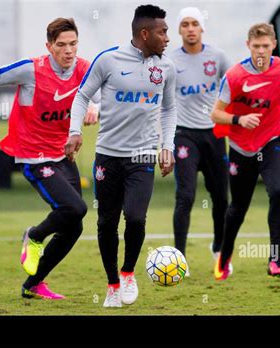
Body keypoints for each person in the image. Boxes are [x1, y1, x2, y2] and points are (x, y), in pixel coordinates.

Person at [0, 17, 99, 299]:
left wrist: (93, 108)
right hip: (34, 157)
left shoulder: (83, 69)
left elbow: (98, 98)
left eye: (73, 44)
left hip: (63, 155)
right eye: (62, 45)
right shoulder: (31, 70)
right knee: (76, 209)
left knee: (73, 227)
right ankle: (35, 235)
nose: (69, 50)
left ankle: (33, 284)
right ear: (49, 46)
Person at [66, 5, 177, 307]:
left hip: (142, 156)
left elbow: (169, 109)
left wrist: (167, 145)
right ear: (144, 33)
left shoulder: (166, 67)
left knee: (137, 218)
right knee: (106, 223)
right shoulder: (108, 60)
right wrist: (75, 131)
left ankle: (128, 273)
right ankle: (112, 284)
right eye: (162, 31)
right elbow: (81, 96)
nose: (168, 37)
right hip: (108, 157)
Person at [211, 23, 280, 280]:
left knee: (278, 191)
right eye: (256, 46)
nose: (261, 51)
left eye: (266, 46)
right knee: (238, 207)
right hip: (242, 147)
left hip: (272, 139)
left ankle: (275, 259)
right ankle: (225, 255)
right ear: (248, 46)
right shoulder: (234, 76)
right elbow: (215, 114)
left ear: (274, 45)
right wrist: (239, 120)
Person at [169, 7, 231, 271]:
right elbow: (162, 102)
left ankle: (219, 248)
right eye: (185, 24)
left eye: (195, 23)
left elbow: (233, 87)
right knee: (185, 196)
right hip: (184, 135)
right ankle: (179, 258)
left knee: (221, 197)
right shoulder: (170, 61)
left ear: (202, 27)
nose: (190, 28)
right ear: (179, 30)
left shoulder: (217, 57)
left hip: (214, 134)